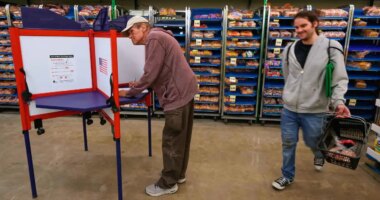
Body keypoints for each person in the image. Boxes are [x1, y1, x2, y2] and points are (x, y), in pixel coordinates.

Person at [119, 16, 198, 196]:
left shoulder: (154, 38)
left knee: (171, 139)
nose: (130, 37)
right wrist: (139, 84)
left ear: (144, 28)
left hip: (177, 95)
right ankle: (179, 175)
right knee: (181, 138)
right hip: (186, 90)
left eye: (132, 31)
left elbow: (151, 73)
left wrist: (130, 91)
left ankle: (168, 182)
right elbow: (158, 71)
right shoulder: (160, 36)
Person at [272, 11, 351, 190]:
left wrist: (339, 101)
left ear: (315, 23)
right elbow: (288, 75)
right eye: (296, 27)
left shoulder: (331, 47)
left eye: (303, 26)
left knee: (313, 140)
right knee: (288, 142)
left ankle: (319, 154)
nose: (299, 30)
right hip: (290, 108)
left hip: (315, 109)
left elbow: (339, 78)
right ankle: (287, 175)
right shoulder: (289, 49)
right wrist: (290, 92)